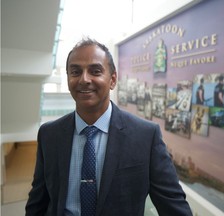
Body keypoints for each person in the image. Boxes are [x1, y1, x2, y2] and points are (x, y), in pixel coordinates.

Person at [25, 37, 193, 216]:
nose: (84, 79)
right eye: (75, 72)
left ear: (112, 80)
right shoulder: (49, 134)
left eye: (95, 71)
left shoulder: (145, 136)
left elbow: (174, 207)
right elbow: (38, 202)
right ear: (68, 79)